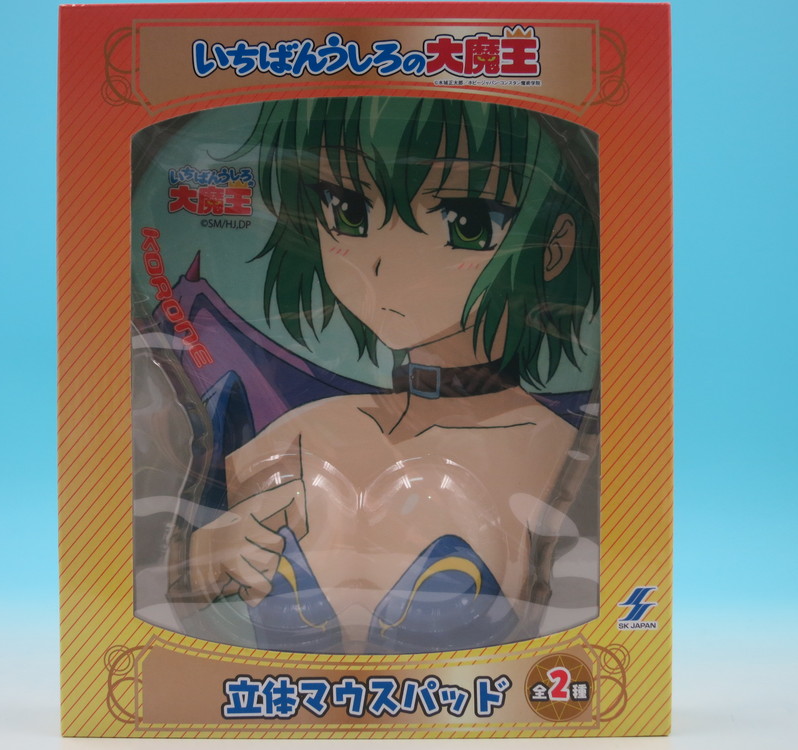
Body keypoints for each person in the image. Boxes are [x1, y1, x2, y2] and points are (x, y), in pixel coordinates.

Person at [186, 96, 600, 654]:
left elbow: (586, 605)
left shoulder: (560, 456)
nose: (384, 262)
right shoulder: (298, 438)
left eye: (467, 223)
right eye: (349, 212)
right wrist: (205, 557)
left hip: (467, 700)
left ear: (554, 246)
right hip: (273, 695)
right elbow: (173, 569)